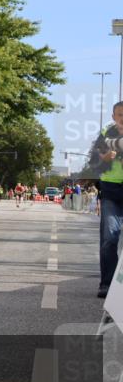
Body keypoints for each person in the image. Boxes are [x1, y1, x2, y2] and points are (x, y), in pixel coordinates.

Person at [88, 101, 123, 298]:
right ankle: (107, 284)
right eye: (119, 114)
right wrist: (105, 159)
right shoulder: (106, 134)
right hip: (111, 191)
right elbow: (93, 162)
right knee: (110, 239)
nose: (122, 118)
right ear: (113, 116)